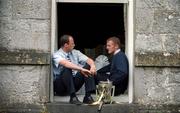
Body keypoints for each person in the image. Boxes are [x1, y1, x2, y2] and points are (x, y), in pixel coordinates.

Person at [52, 34, 96, 105]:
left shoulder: (76, 52)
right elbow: (66, 63)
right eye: (72, 43)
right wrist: (80, 69)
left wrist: (93, 66)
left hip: (74, 84)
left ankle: (88, 97)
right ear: (66, 45)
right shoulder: (56, 55)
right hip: (61, 87)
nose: (74, 45)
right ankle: (73, 97)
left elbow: (88, 60)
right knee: (67, 68)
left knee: (88, 67)